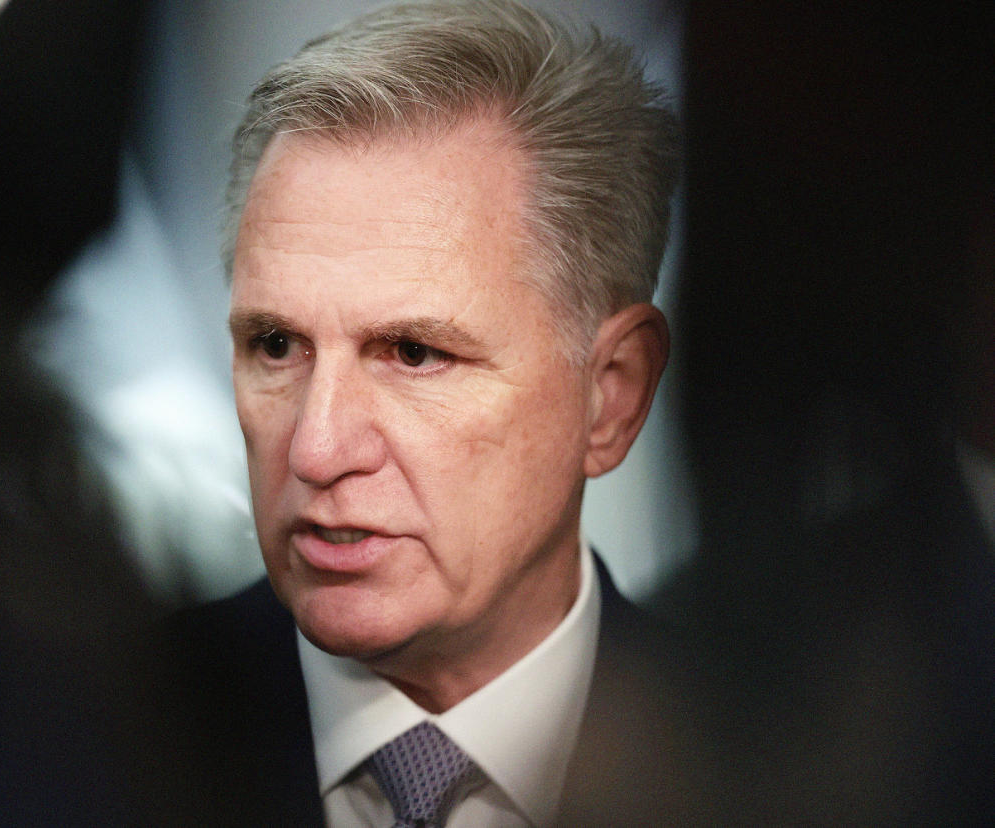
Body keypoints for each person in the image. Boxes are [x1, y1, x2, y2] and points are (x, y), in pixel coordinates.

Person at [160, 2, 708, 824]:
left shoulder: (797, 772)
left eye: (414, 354)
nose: (316, 449)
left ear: (611, 396)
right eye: (276, 345)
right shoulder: (72, 740)